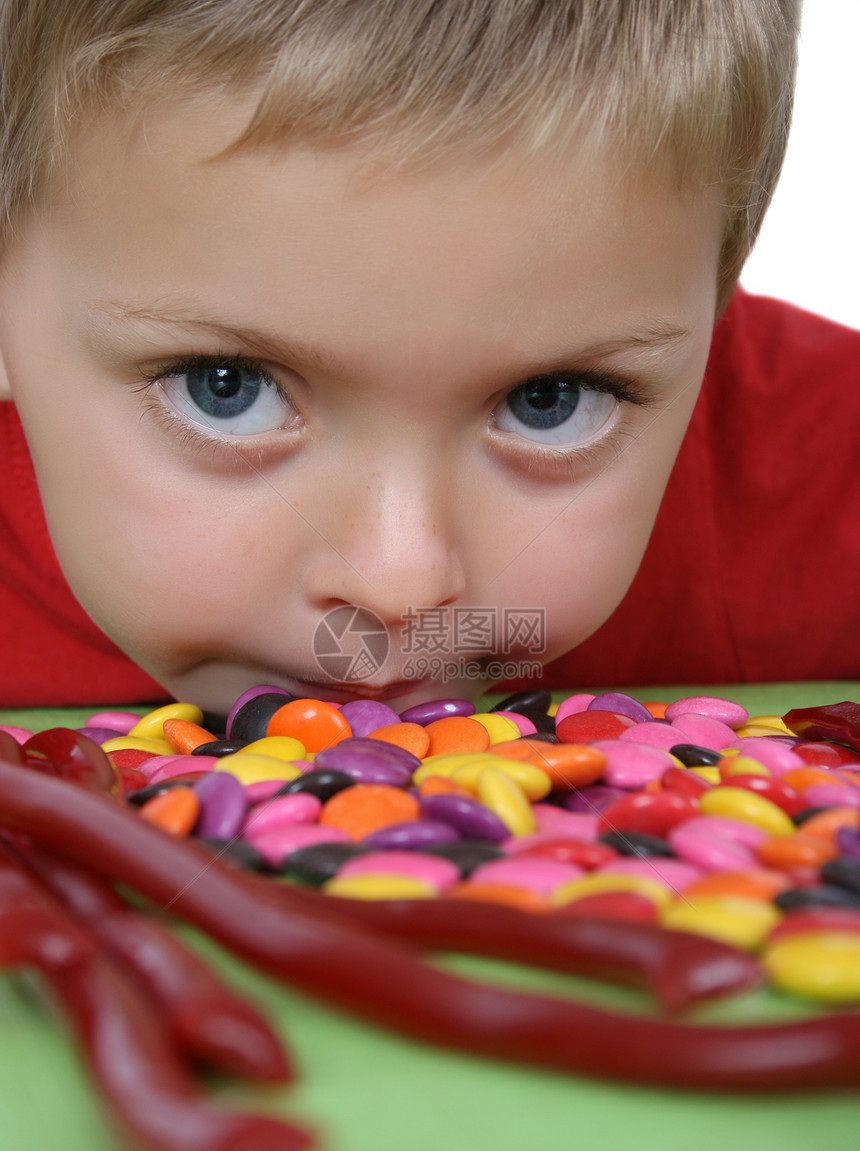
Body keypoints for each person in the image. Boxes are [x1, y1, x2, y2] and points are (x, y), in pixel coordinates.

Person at [0, 0, 855, 715]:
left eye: (551, 398)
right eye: (227, 388)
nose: (398, 583)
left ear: (714, 295)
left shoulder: (826, 490)